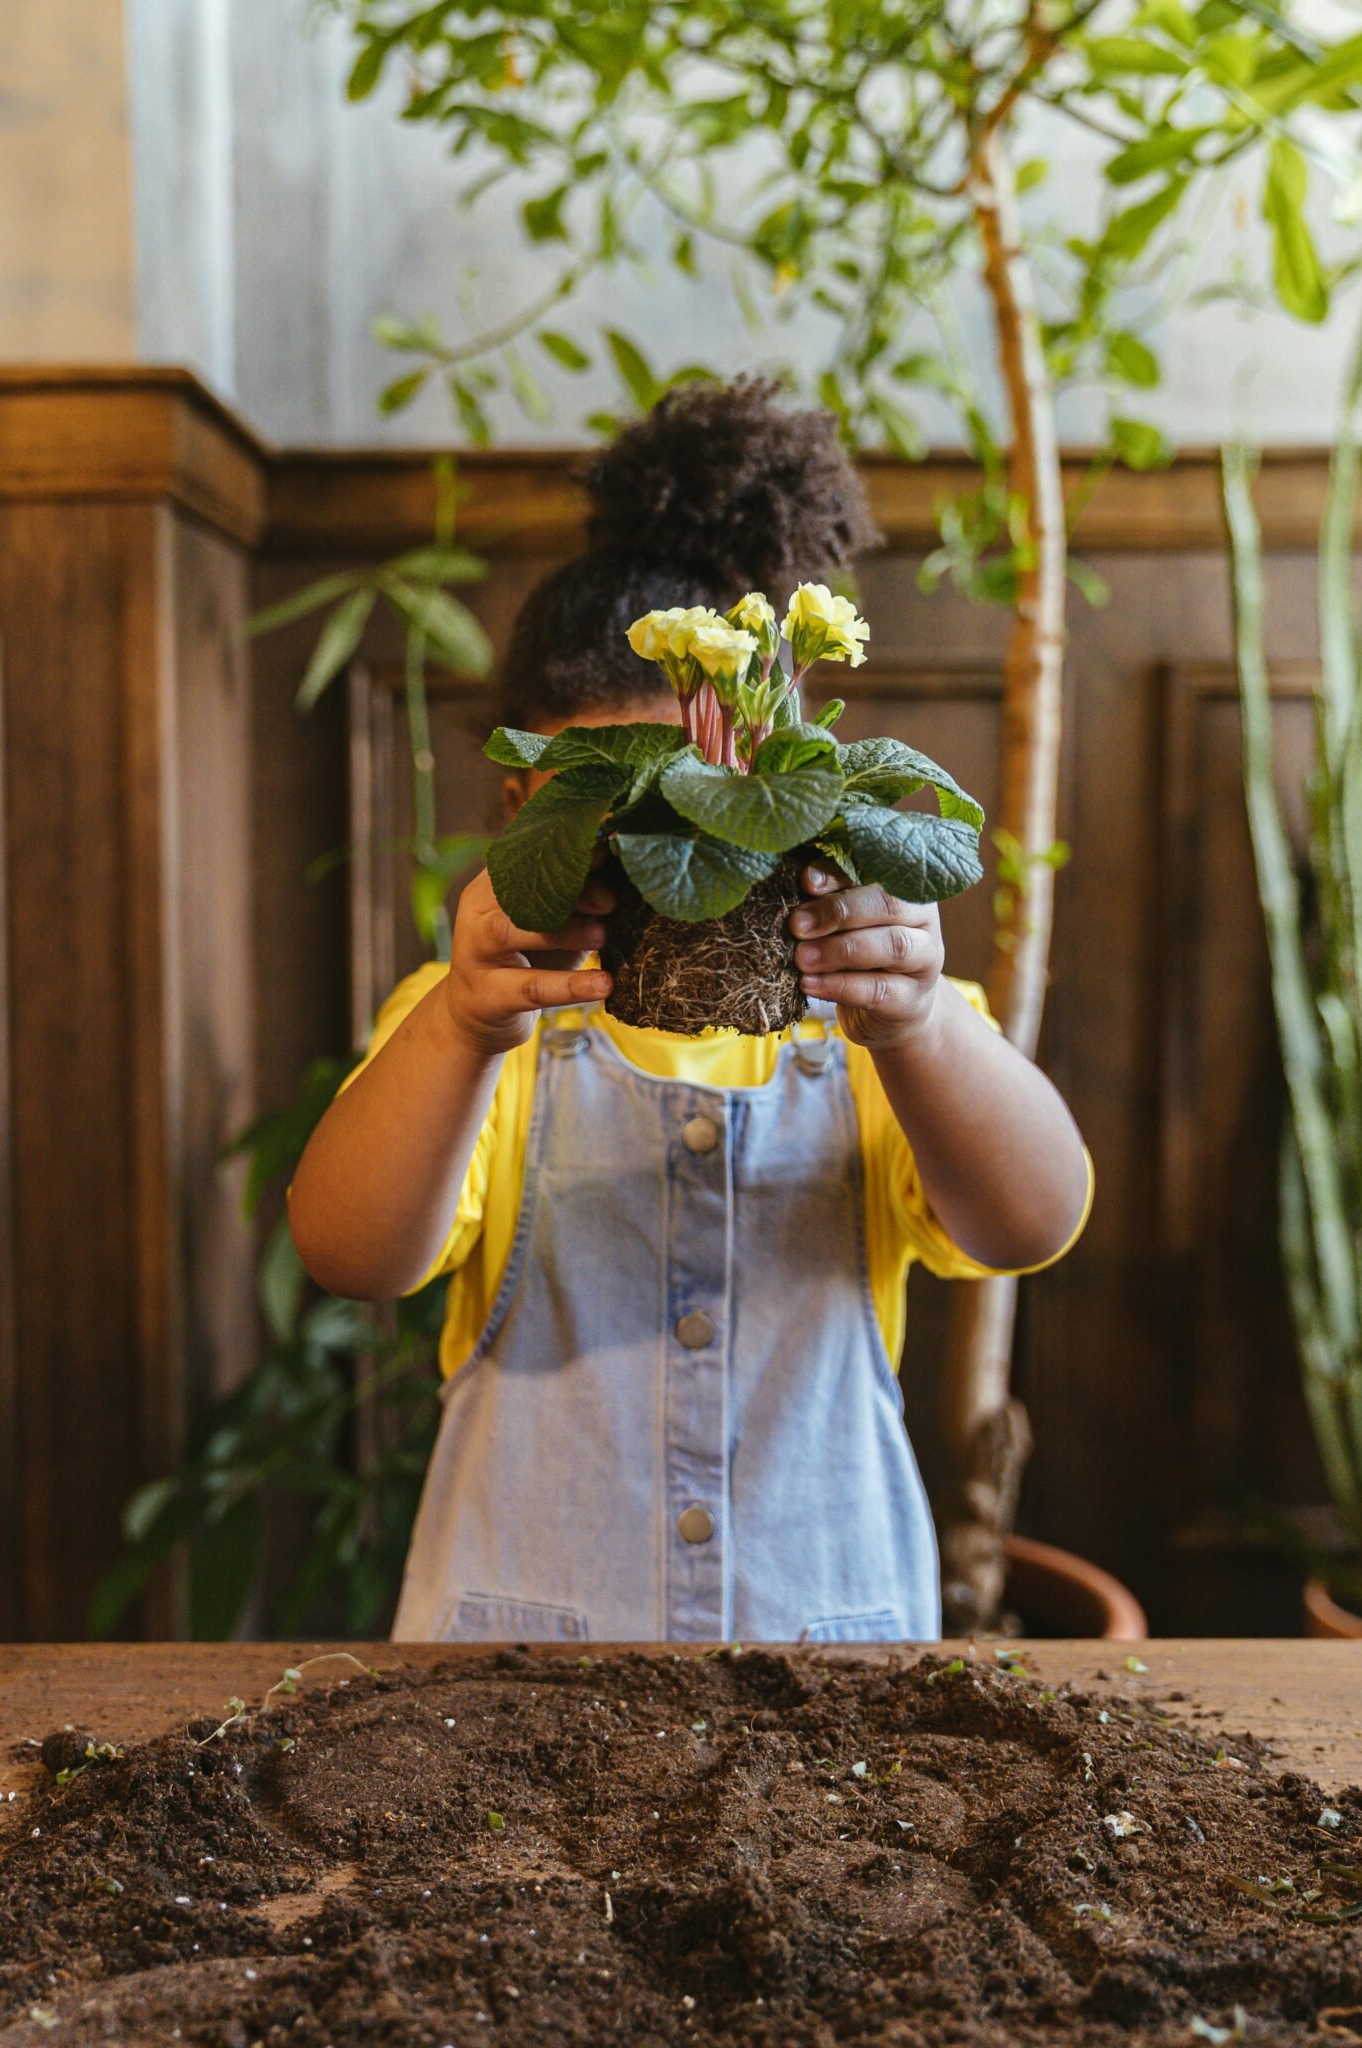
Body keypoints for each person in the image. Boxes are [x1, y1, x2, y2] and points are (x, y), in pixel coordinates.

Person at [288, 378, 1093, 1645]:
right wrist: (456, 1026)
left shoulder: (879, 1025)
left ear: (777, 784)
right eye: (610, 810)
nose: (665, 851)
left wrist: (926, 1023)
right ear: (522, 812)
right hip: (521, 1678)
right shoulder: (475, 1025)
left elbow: (1028, 1220)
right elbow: (351, 1251)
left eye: (703, 804)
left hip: (827, 1662)